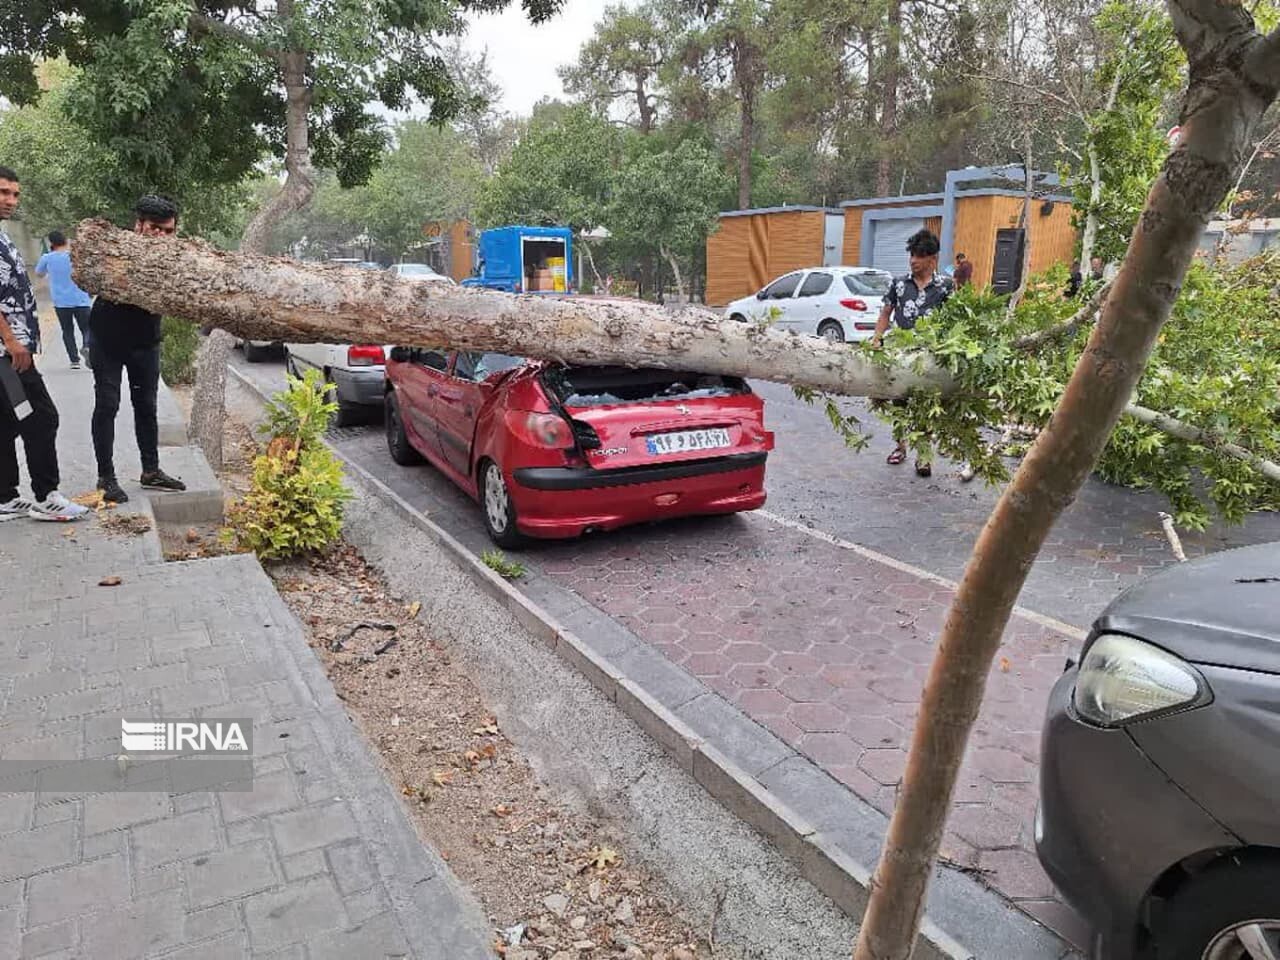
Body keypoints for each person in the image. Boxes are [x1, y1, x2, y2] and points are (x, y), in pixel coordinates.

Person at [0, 166, 89, 522]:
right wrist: (11, 341)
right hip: (8, 355)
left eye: (15, 194)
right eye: (4, 192)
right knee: (40, 417)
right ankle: (47, 495)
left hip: (11, 351)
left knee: (6, 422)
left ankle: (4, 496)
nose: (11, 200)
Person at [89, 195, 186, 504]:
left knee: (147, 406)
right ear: (139, 225)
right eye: (154, 228)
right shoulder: (116, 251)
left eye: (168, 230)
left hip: (146, 342)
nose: (161, 235)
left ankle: (151, 471)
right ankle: (106, 477)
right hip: (108, 340)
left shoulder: (175, 260)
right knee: (107, 405)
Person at [873, 228, 956, 479]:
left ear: (932, 259)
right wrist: (877, 338)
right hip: (900, 355)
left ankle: (923, 455)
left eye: (919, 256)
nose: (913, 260)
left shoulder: (946, 286)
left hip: (930, 358)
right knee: (899, 404)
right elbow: (886, 313)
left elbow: (953, 320)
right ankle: (900, 447)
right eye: (911, 255)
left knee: (925, 406)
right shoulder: (898, 284)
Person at [35, 230, 93, 369]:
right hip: (81, 299)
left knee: (67, 330)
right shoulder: (75, 257)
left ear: (52, 243)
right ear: (66, 241)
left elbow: (39, 273)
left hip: (61, 301)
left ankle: (74, 361)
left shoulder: (47, 258)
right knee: (87, 328)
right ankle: (87, 346)